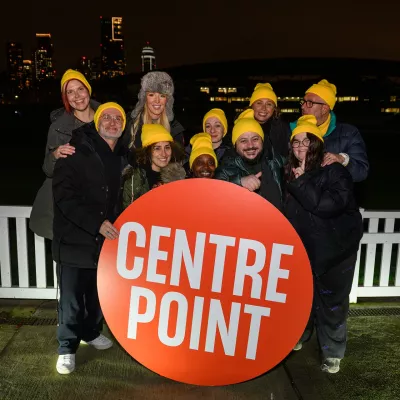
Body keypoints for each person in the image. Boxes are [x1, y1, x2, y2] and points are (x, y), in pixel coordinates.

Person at [52, 102, 127, 375]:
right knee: (71, 299)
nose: (112, 122)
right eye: (106, 117)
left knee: (97, 295)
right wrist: (96, 224)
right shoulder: (74, 151)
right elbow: (63, 197)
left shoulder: (121, 155)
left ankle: (90, 332)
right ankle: (66, 348)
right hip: (74, 238)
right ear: (97, 123)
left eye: (117, 118)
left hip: (103, 242)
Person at [284, 115, 363, 374]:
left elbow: (325, 207)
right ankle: (299, 336)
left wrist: (301, 181)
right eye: (295, 142)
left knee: (332, 304)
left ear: (317, 144)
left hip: (335, 252)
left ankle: (332, 353)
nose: (299, 148)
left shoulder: (335, 171)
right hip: (306, 252)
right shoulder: (290, 171)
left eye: (306, 142)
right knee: (301, 300)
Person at [30, 69, 100, 240]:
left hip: (98, 203)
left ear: (88, 90)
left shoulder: (107, 119)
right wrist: (55, 155)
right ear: (65, 98)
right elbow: (48, 169)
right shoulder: (58, 128)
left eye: (80, 89)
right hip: (69, 208)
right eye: (70, 92)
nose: (77, 96)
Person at [290, 79, 369, 182]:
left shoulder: (348, 133)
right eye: (303, 102)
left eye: (309, 103)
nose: (303, 106)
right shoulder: (291, 131)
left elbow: (361, 172)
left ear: (324, 108)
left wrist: (343, 160)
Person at [215, 109, 284, 210]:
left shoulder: (276, 161)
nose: (250, 145)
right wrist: (239, 182)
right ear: (235, 145)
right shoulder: (225, 167)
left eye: (255, 139)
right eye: (243, 141)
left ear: (262, 141)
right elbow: (216, 191)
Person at [122, 124, 184, 208]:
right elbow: (129, 212)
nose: (164, 154)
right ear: (148, 151)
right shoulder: (136, 178)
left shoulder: (176, 176)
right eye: (157, 148)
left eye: (167, 147)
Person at [124, 71, 185, 149]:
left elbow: (179, 158)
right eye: (151, 95)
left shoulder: (174, 128)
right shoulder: (130, 124)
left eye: (162, 96)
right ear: (144, 98)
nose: (157, 101)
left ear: (167, 100)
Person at [249, 83, 291, 158]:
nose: (263, 108)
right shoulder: (240, 127)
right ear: (252, 105)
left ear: (274, 108)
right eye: (259, 103)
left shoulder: (283, 129)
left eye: (269, 104)